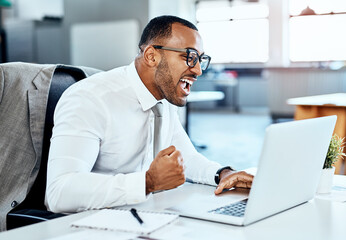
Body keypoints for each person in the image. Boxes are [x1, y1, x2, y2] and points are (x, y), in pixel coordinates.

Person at [46, 15, 254, 213]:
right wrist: (147, 183)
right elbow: (59, 192)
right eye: (189, 57)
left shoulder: (164, 95)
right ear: (151, 56)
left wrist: (223, 174)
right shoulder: (90, 99)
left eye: (200, 59)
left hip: (145, 213)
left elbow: (185, 158)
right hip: (91, 223)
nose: (198, 70)